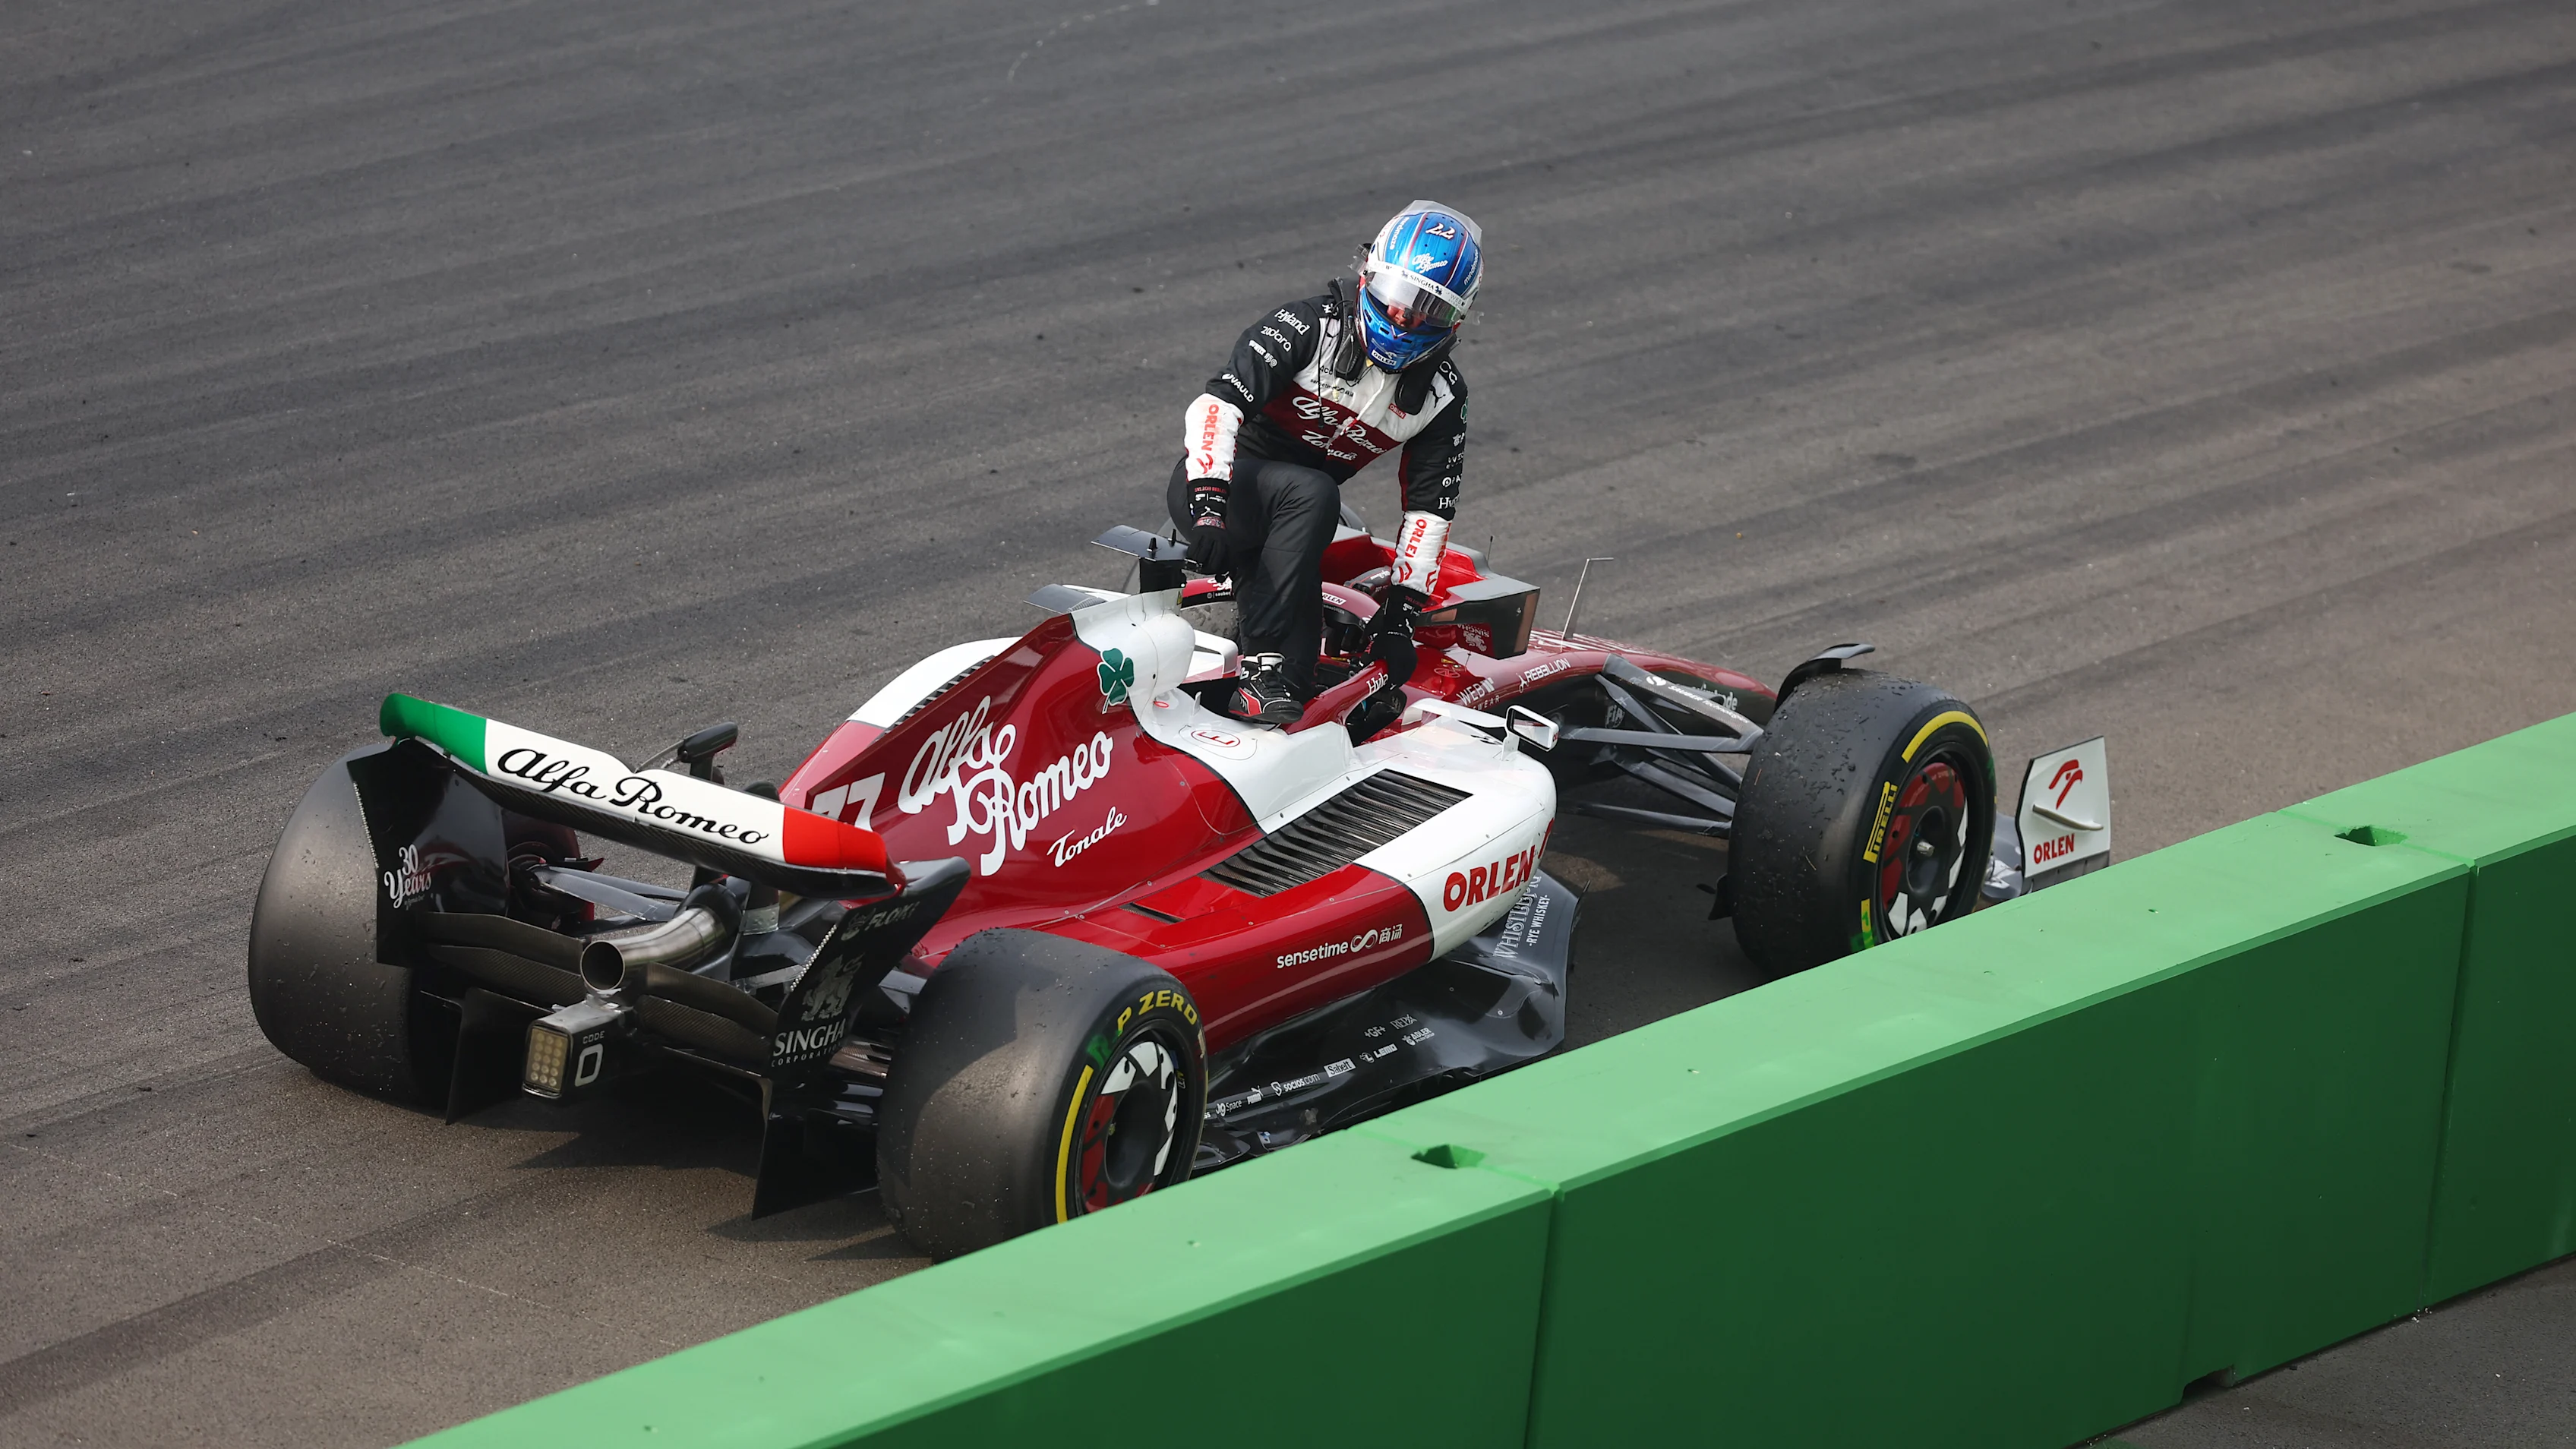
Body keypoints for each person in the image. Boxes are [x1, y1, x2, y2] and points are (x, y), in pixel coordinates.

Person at [1170, 200, 1481, 725]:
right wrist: (1208, 506)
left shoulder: (1443, 397)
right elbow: (1216, 407)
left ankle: (1257, 694)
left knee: (1292, 699)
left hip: (1292, 533)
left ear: (1456, 320)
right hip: (1223, 498)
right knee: (1315, 492)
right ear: (1369, 278)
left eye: (1429, 311)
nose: (1405, 320)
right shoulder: (1306, 325)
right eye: (1399, 299)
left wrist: (1400, 616)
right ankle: (1261, 661)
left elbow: (1430, 513)